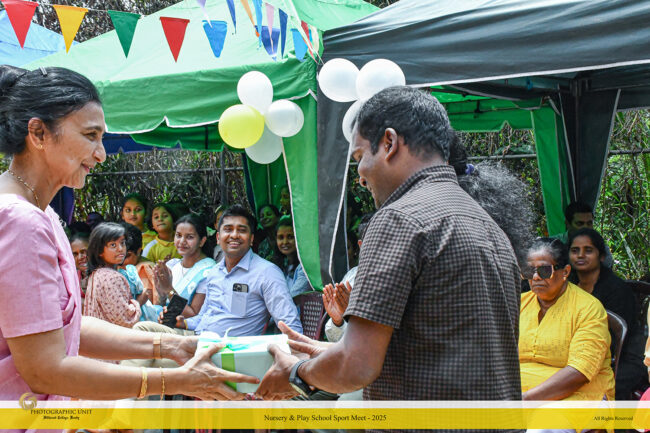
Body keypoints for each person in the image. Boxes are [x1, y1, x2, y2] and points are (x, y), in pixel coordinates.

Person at [256, 87, 522, 421]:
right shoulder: (487, 222)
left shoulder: (398, 219)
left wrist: (296, 374)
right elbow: (441, 346)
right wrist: (328, 352)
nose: (360, 177)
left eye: (359, 158)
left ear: (389, 143)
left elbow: (356, 366)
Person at [0, 65, 258, 407]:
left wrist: (172, 345)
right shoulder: (21, 220)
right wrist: (177, 379)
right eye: (90, 135)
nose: (101, 153)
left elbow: (68, 330)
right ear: (38, 133)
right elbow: (45, 369)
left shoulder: (41, 214)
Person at [177, 204, 303, 336]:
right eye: (228, 229)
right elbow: (204, 317)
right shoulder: (214, 273)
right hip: (197, 338)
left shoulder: (266, 273)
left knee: (160, 337)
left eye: (242, 230)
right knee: (160, 330)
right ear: (218, 238)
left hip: (228, 347)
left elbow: (291, 325)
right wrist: (183, 323)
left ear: (251, 239)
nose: (234, 235)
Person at [520, 237, 615, 401]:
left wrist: (524, 401)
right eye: (529, 271)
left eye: (544, 270)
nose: (535, 277)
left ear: (565, 272)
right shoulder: (518, 303)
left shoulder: (588, 309)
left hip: (579, 394)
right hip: (518, 393)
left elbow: (580, 372)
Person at [568, 228, 646, 400]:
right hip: (579, 356)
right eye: (575, 250)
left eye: (588, 250)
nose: (580, 255)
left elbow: (613, 342)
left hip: (622, 359)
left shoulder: (617, 290)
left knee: (593, 392)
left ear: (601, 256)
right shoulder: (568, 285)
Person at [152, 214, 216, 321]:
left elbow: (193, 315)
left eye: (189, 237)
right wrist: (161, 295)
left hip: (184, 327)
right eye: (178, 235)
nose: (182, 241)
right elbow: (160, 306)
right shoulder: (172, 265)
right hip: (165, 321)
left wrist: (169, 290)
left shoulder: (208, 271)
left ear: (202, 241)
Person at [83, 223, 144, 329]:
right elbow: (126, 320)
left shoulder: (96, 274)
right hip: (113, 337)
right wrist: (135, 304)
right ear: (100, 251)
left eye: (122, 243)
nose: (120, 249)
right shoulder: (112, 277)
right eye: (113, 245)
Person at [119, 222, 160, 322]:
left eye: (127, 256)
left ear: (139, 251)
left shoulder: (145, 269)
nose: (121, 261)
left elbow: (150, 306)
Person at [553, 201, 613, 268]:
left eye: (589, 223)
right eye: (580, 224)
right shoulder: (553, 244)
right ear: (567, 224)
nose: (586, 227)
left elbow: (606, 266)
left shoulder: (600, 247)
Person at [273, 215, 311, 297]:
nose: (285, 242)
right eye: (281, 237)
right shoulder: (281, 265)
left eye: (290, 237)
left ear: (299, 238)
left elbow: (292, 298)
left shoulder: (305, 267)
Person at [69, 231, 90, 297]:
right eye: (75, 254)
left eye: (83, 252)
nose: (79, 257)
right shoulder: (72, 278)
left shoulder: (104, 276)